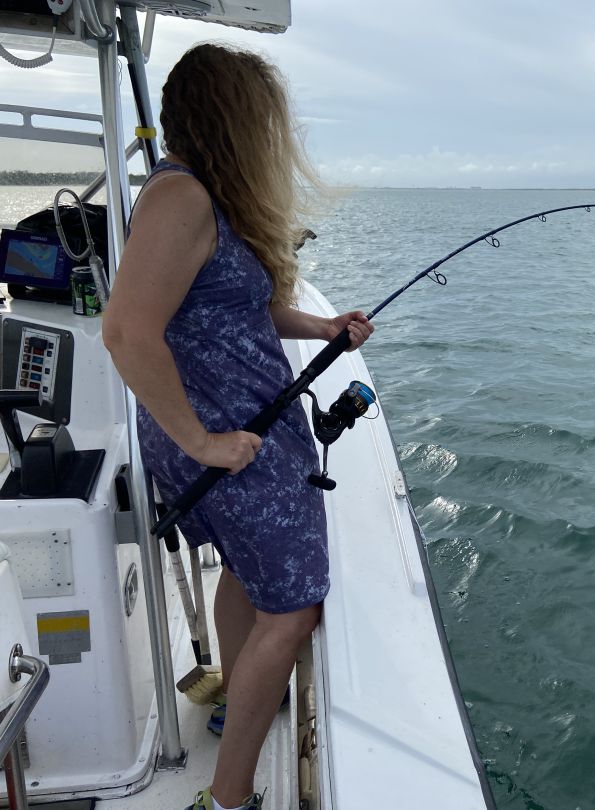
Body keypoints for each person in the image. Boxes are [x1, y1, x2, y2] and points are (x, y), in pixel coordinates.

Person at [102, 43, 372, 810]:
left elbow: (237, 305)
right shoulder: (178, 198)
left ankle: (234, 697)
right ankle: (227, 800)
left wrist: (321, 328)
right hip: (223, 444)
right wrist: (199, 442)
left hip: (241, 434)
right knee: (295, 609)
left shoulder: (204, 197)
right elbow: (125, 332)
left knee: (251, 582)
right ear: (233, 117)